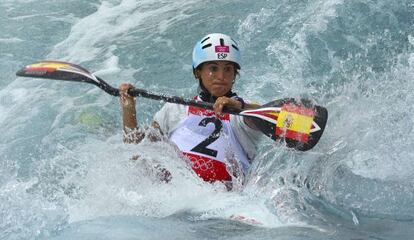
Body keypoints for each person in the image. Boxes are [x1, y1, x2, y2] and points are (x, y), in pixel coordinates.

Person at [119, 33, 262, 187]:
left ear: (235, 75)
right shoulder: (175, 109)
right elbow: (137, 153)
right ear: (197, 72)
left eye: (228, 69)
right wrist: (128, 108)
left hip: (225, 200)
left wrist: (239, 106)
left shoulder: (244, 113)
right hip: (174, 194)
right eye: (213, 68)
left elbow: (271, 115)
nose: (221, 76)